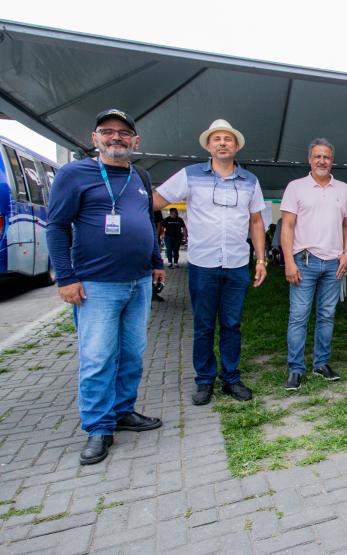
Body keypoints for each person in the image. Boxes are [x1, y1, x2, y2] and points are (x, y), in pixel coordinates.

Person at [47, 109, 165, 465]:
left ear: (135, 141)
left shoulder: (140, 176)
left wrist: (157, 262)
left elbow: (146, 222)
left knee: (132, 353)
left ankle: (123, 411)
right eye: (108, 132)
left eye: (124, 133)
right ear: (94, 137)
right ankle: (98, 428)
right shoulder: (73, 174)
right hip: (96, 284)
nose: (117, 138)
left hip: (139, 281)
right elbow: (56, 227)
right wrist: (66, 277)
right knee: (98, 357)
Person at [153, 119, 268, 406]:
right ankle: (204, 381)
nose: (222, 143)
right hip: (203, 264)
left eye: (227, 139)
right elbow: (156, 200)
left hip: (237, 263)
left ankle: (231, 378)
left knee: (232, 323)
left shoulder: (250, 180)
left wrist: (262, 259)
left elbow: (256, 222)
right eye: (216, 139)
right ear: (208, 145)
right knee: (204, 325)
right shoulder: (190, 175)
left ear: (236, 146)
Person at [281, 138, 347, 390]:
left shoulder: (343, 189)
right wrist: (289, 262)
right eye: (317, 156)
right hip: (304, 260)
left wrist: (346, 253)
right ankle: (295, 368)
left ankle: (321, 363)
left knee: (326, 316)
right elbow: (287, 226)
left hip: (334, 262)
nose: (322, 161)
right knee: (299, 316)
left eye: (326, 156)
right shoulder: (295, 187)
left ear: (332, 160)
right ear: (309, 159)